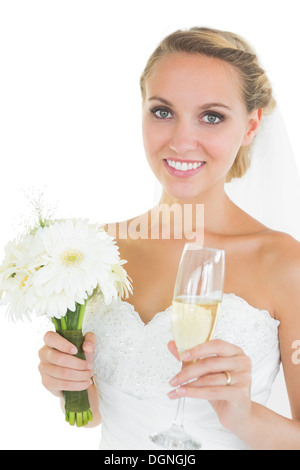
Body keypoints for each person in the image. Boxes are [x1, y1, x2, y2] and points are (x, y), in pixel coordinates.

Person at [38, 27, 300, 450]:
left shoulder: (284, 263)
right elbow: (106, 414)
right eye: (163, 112)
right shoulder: (96, 250)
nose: (181, 141)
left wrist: (245, 416)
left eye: (211, 116)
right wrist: (71, 385)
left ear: (251, 126)